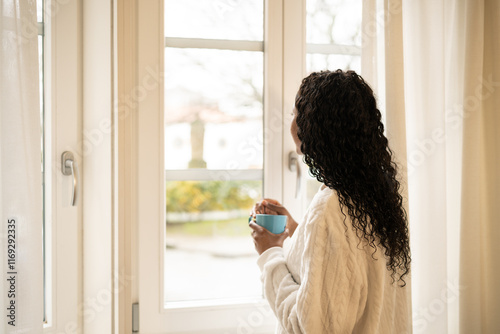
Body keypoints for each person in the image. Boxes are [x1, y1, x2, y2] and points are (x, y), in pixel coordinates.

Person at [249, 70, 411, 333]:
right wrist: (296, 229)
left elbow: (309, 327)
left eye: (294, 114)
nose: (291, 122)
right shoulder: (376, 194)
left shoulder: (329, 209)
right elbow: (345, 265)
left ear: (310, 128)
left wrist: (270, 254)